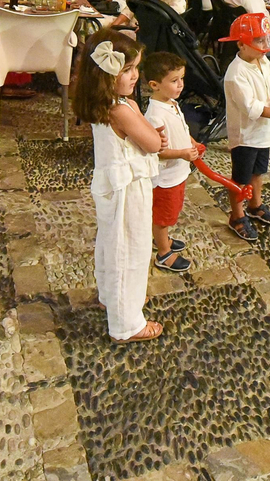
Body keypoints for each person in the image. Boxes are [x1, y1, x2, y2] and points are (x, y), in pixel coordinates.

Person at [71, 30, 165, 342]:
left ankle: (111, 296)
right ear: (107, 74)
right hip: (129, 188)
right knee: (132, 250)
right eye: (127, 70)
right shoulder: (121, 110)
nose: (136, 76)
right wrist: (154, 133)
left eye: (136, 68)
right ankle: (128, 324)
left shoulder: (103, 103)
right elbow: (152, 143)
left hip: (111, 184)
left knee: (112, 244)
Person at [219, 13, 270, 243]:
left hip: (262, 133)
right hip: (245, 135)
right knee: (240, 179)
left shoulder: (262, 60)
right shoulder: (236, 74)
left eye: (265, 40)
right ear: (241, 44)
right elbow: (251, 108)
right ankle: (237, 215)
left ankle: (255, 204)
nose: (263, 47)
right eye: (258, 41)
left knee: (258, 172)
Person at [143, 51, 198, 273]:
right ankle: (164, 254)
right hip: (166, 177)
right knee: (163, 216)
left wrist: (191, 141)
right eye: (174, 81)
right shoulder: (154, 115)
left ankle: (162, 238)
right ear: (155, 85)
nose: (180, 85)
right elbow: (157, 151)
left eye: (181, 79)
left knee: (170, 212)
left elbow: (180, 128)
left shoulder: (171, 103)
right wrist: (183, 153)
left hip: (178, 173)